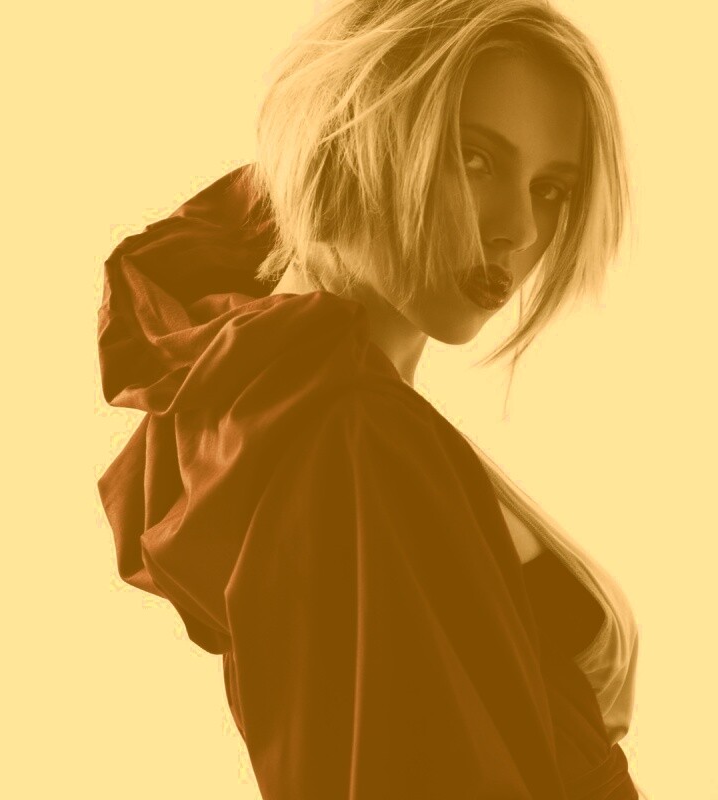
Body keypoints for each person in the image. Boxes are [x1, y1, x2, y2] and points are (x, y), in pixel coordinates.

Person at [97, 0, 646, 797]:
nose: (519, 229)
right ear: (356, 142)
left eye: (552, 189)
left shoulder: (288, 408)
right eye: (474, 159)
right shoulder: (354, 434)